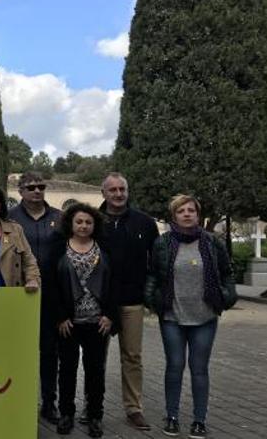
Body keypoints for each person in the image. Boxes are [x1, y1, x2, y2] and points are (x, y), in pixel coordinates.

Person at [145, 195, 236, 439]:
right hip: (173, 316)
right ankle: (172, 416)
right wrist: (152, 300)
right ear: (174, 216)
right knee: (174, 366)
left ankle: (199, 420)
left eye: (191, 210)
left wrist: (227, 296)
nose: (187, 214)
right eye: (181, 211)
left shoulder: (211, 243)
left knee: (199, 369)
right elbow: (153, 274)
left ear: (198, 214)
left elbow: (227, 272)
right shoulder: (163, 243)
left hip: (205, 317)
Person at [49, 202, 117, 438]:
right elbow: (51, 284)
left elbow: (114, 283)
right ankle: (66, 413)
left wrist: (109, 315)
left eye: (88, 222)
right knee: (67, 369)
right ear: (71, 223)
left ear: (94, 224)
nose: (83, 226)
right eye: (79, 221)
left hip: (98, 322)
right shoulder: (58, 247)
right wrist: (60, 316)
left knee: (95, 371)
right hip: (69, 323)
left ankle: (95, 415)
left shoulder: (105, 248)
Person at [97, 172, 158, 431]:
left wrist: (151, 294)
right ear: (104, 193)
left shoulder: (144, 223)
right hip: (99, 302)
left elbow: (156, 261)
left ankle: (133, 407)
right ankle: (93, 406)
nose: (118, 194)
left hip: (132, 301)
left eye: (122, 189)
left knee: (132, 356)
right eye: (113, 190)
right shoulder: (93, 222)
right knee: (95, 357)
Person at [8, 171, 64, 424]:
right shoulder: (9, 219)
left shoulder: (59, 218)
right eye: (31, 187)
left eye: (41, 187)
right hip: (20, 293)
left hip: (52, 294)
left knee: (49, 351)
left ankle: (49, 402)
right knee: (18, 350)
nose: (37, 191)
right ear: (20, 191)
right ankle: (16, 399)